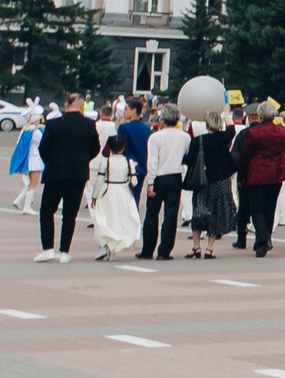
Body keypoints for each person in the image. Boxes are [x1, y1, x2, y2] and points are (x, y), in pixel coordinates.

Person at [33, 94, 100, 263]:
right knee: (70, 214)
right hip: (78, 174)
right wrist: (83, 159)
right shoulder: (89, 125)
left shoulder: (54, 124)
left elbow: (43, 148)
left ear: (65, 105)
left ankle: (48, 249)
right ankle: (64, 251)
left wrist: (52, 161)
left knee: (47, 211)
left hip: (55, 172)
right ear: (81, 106)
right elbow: (95, 148)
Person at [230, 101, 285, 258]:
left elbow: (244, 157)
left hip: (257, 174)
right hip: (276, 173)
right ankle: (264, 240)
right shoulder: (284, 132)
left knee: (257, 209)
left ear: (261, 115)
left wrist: (241, 176)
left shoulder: (253, 133)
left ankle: (264, 239)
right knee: (270, 208)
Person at [184, 110, 237, 260]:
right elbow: (232, 128)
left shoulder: (198, 141)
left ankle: (196, 247)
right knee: (216, 212)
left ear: (206, 124)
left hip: (202, 180)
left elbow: (188, 160)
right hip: (220, 180)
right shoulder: (224, 137)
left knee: (199, 211)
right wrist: (227, 112)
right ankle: (210, 248)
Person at [142, 104, 188, 262]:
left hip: (159, 177)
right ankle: (164, 250)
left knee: (152, 213)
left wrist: (150, 181)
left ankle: (147, 249)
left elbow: (152, 161)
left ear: (163, 120)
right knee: (171, 215)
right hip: (175, 176)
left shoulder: (155, 137)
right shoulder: (184, 137)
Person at [88, 127, 141, 261]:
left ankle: (107, 247)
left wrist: (94, 196)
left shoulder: (105, 161)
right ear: (123, 147)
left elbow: (99, 181)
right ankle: (116, 246)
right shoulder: (129, 162)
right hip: (123, 192)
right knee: (121, 220)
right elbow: (134, 181)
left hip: (107, 191)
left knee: (105, 220)